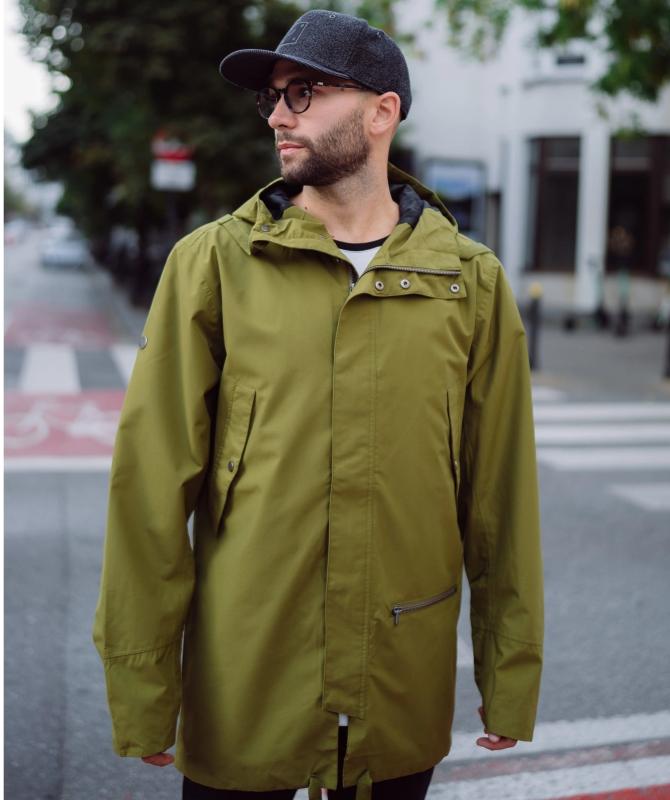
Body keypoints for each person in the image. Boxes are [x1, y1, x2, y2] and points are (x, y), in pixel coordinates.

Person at [92, 9, 544, 800]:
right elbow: (150, 496)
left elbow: (500, 497)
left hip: (398, 687)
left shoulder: (468, 282)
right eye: (272, 96)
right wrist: (144, 685)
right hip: (248, 682)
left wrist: (510, 672)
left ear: (381, 111)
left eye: (303, 92)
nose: (277, 115)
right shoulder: (214, 265)